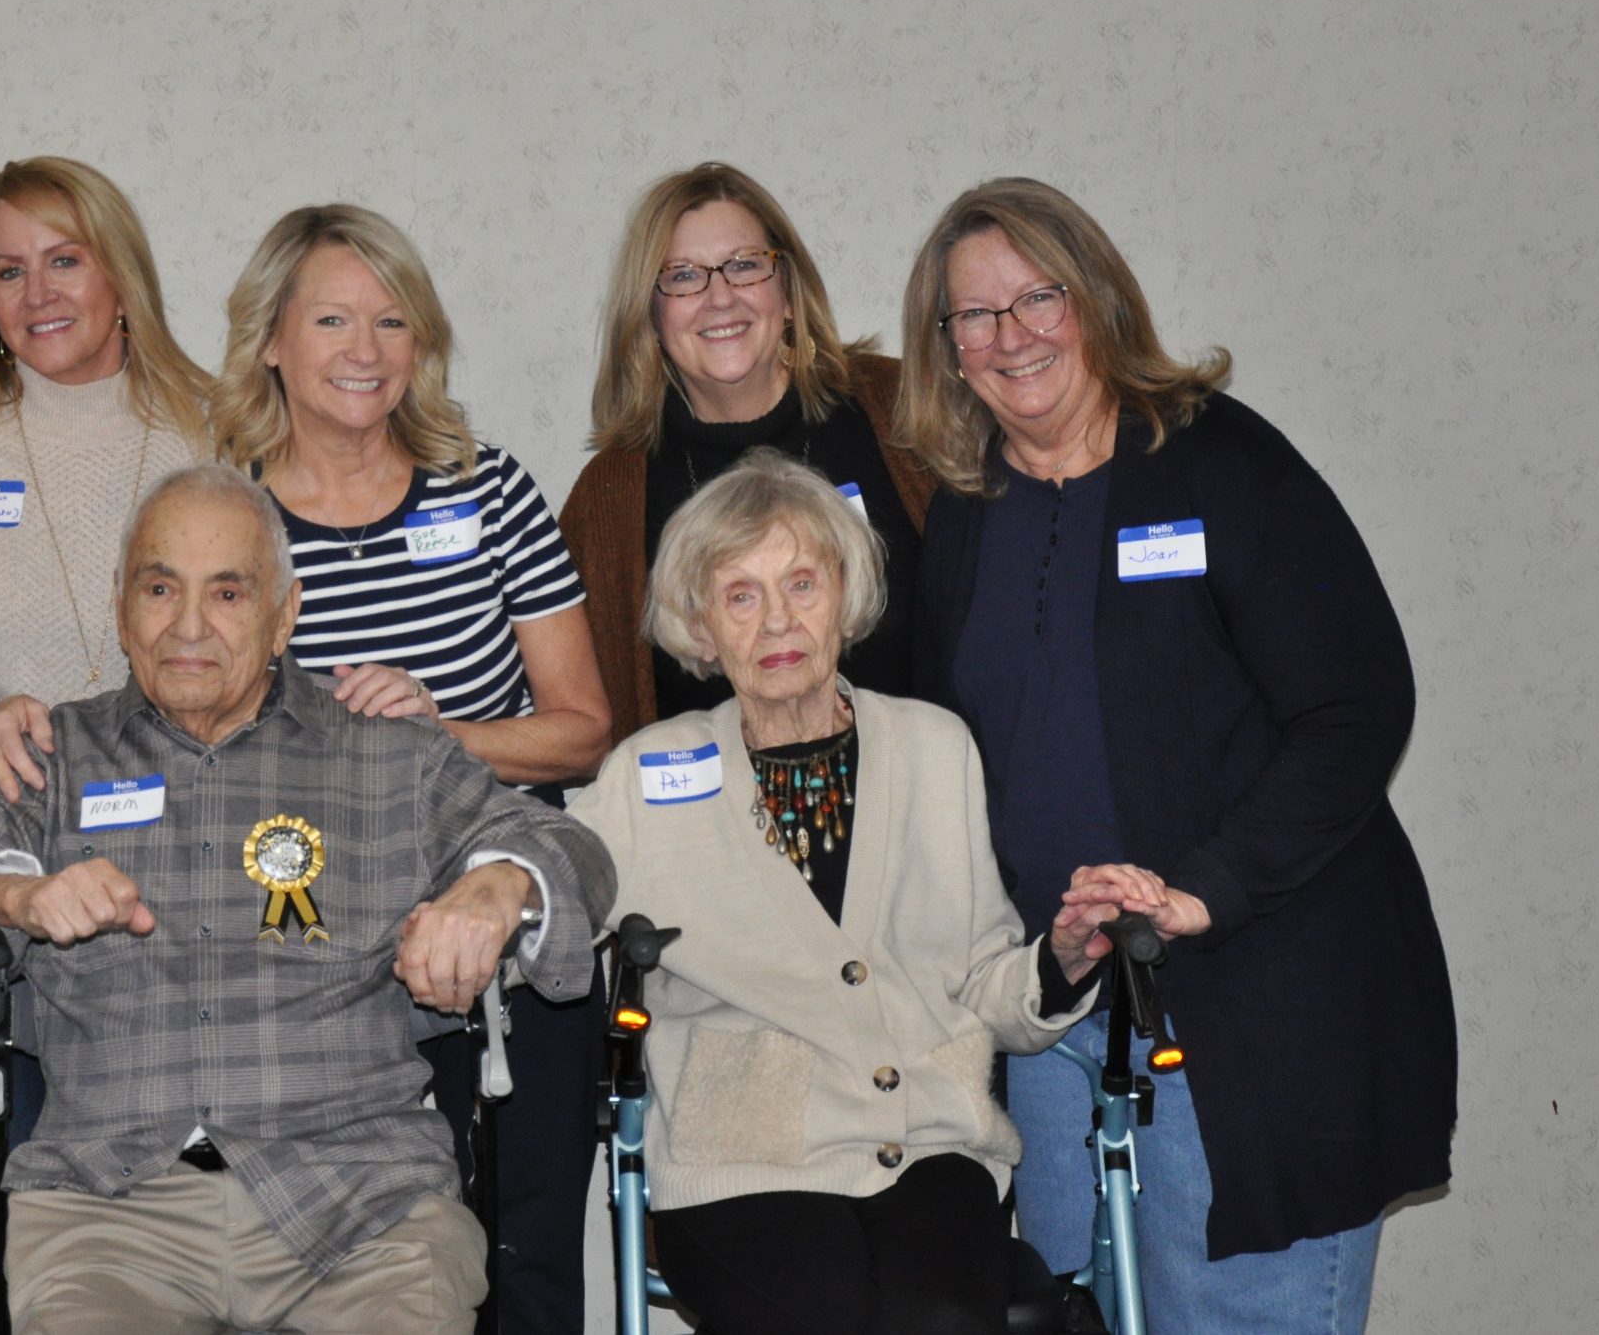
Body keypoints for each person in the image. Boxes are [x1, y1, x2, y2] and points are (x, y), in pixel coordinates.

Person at [0, 204, 615, 1334]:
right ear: (271, 338)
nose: (364, 347)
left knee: (518, 1250)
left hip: (462, 920)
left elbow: (582, 732)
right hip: (285, 980)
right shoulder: (227, 509)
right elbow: (158, 691)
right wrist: (25, 733)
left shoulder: (486, 489)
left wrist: (441, 757)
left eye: (391, 320)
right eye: (331, 319)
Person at [899, 177, 1456, 1335]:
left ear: (1095, 297)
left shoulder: (1222, 466)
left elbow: (1357, 706)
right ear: (945, 346)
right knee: (1070, 1313)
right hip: (1059, 1019)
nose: (1011, 335)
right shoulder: (964, 507)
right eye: (974, 314)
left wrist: (1206, 887)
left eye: (1038, 296)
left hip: (1254, 1006)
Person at [564, 450, 1111, 1335]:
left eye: (802, 584)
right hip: (743, 1159)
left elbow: (981, 977)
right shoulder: (651, 772)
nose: (778, 620)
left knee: (943, 1320)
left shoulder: (934, 748)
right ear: (700, 626)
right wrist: (495, 888)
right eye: (741, 595)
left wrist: (1064, 959)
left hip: (928, 1141)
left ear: (846, 596)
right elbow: (552, 873)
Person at [0, 157, 210, 1333]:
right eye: (7, 270)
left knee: (150, 1265)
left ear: (120, 272)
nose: (37, 291)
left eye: (64, 259)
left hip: (164, 917)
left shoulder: (214, 431)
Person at [561, 162, 935, 742]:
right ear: (651, 314)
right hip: (717, 800)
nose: (719, 297)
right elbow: (594, 719)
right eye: (683, 276)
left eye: (744, 265)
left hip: (915, 788)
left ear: (789, 293)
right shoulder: (609, 496)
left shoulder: (901, 411)